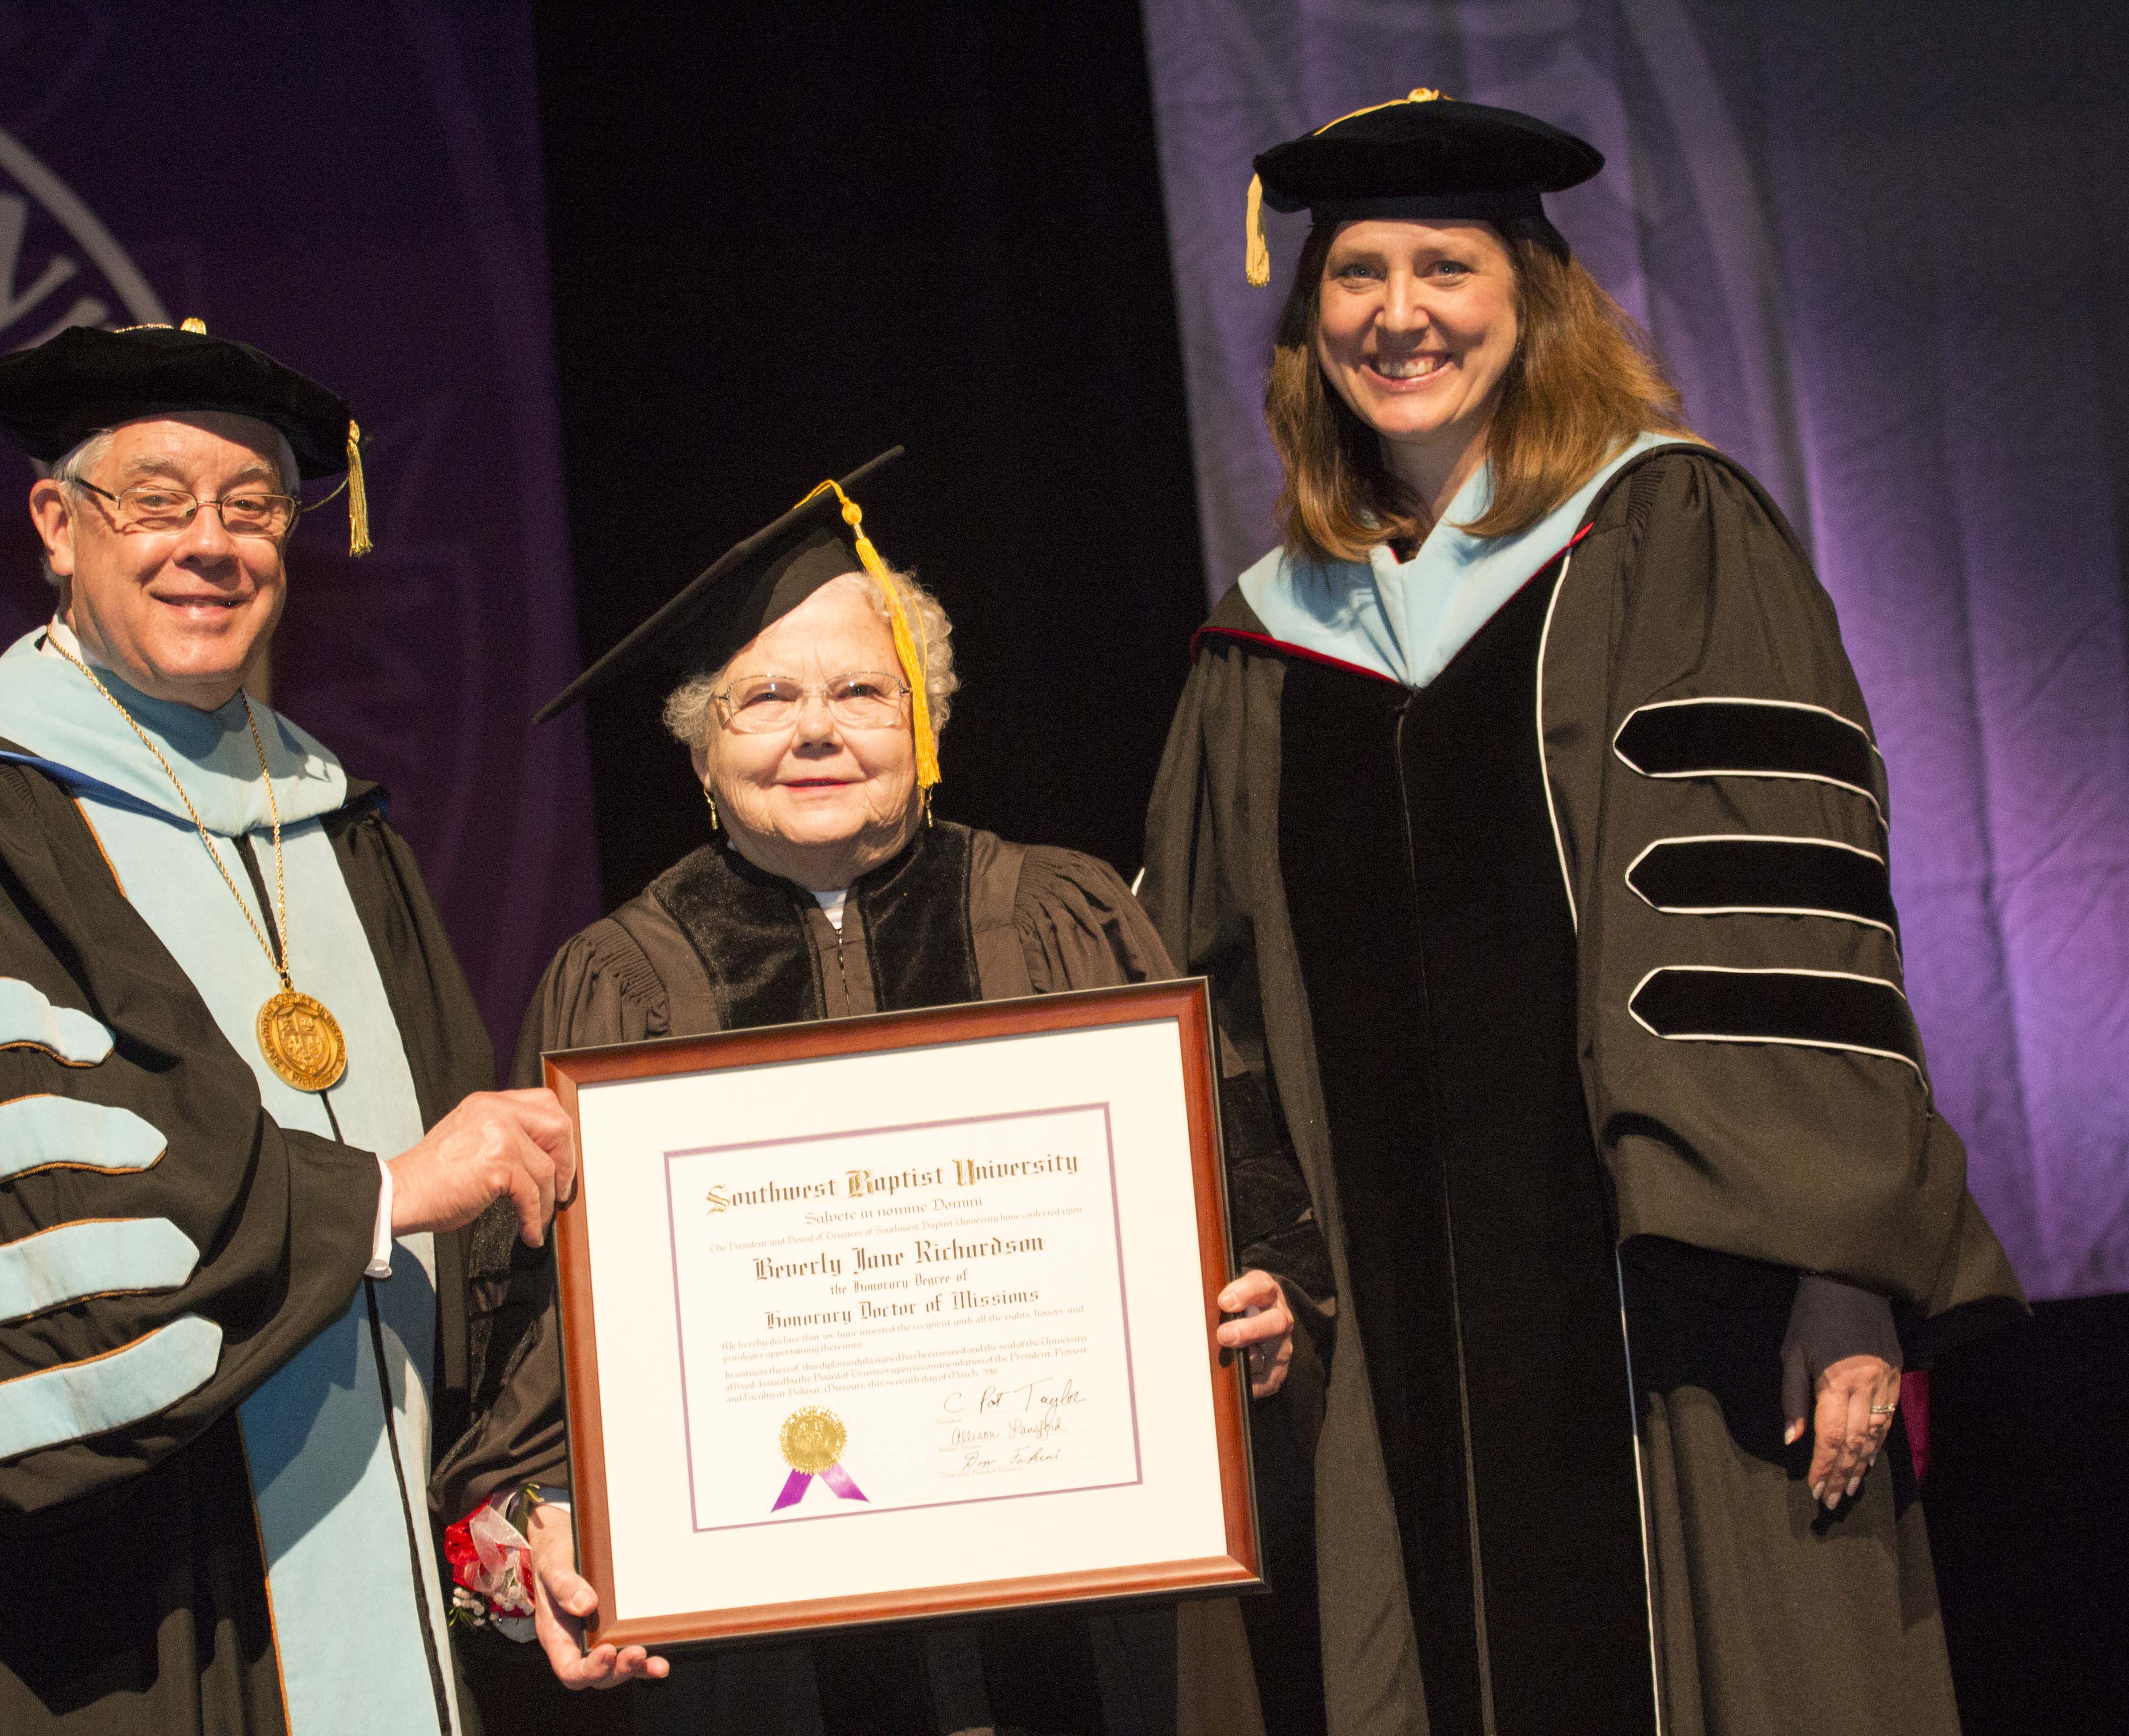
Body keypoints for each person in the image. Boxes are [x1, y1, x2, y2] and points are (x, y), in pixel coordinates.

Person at [1142, 93, 2026, 1733]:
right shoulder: (1262, 648)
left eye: (1444, 264)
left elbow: (1782, 937)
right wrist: (1255, 1256)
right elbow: (1212, 1003)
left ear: (1528, 296)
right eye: (1353, 274)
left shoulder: (1667, 532)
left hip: (1674, 1336)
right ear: (1303, 318)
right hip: (1384, 1378)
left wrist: (1835, 1271)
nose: (1397, 312)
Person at [434, 452, 1305, 1735]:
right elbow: (543, 1348)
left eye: (862, 690)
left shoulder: (1064, 913)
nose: (817, 730)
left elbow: (1249, 1194)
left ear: (928, 719)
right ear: (699, 748)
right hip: (768, 1652)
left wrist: (1273, 1298)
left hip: (1095, 1610)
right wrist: (545, 1521)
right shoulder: (618, 984)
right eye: (764, 698)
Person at [0, 319, 577, 1736]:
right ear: (56, 523)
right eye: (156, 502)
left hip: (394, 1565)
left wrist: (514, 1504)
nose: (209, 545)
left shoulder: (336, 811)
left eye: (254, 506)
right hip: (136, 1614)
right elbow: (40, 1224)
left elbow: (471, 1208)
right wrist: (381, 1198)